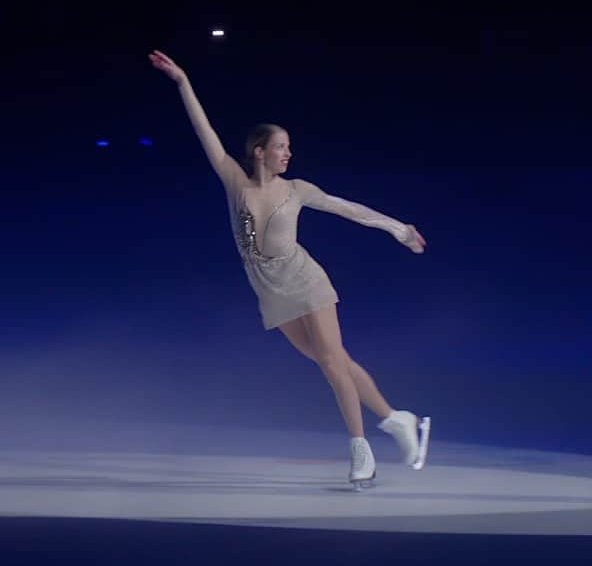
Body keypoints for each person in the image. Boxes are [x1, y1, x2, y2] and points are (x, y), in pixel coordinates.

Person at [149, 49, 430, 489]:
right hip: (270, 290)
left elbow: (349, 209)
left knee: (333, 364)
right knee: (330, 359)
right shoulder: (234, 181)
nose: (288, 153)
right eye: (280, 147)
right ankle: (397, 419)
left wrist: (399, 229)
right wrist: (183, 81)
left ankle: (361, 450)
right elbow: (203, 131)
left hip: (306, 280)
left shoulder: (297, 189)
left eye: (289, 147)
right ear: (258, 152)